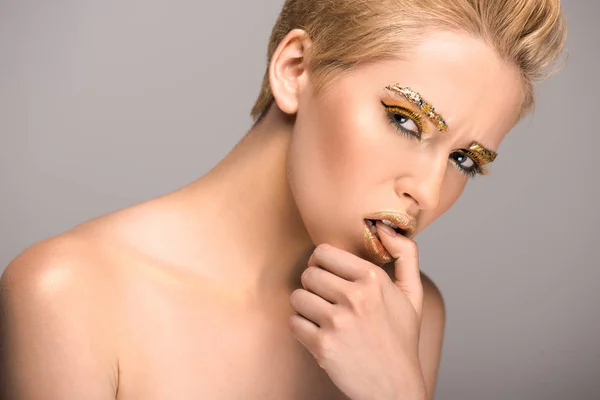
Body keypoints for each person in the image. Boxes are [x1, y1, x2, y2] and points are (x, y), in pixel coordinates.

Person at [0, 0, 567, 399]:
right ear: (295, 70)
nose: (426, 188)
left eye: (464, 159)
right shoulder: (71, 294)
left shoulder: (403, 318)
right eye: (405, 121)